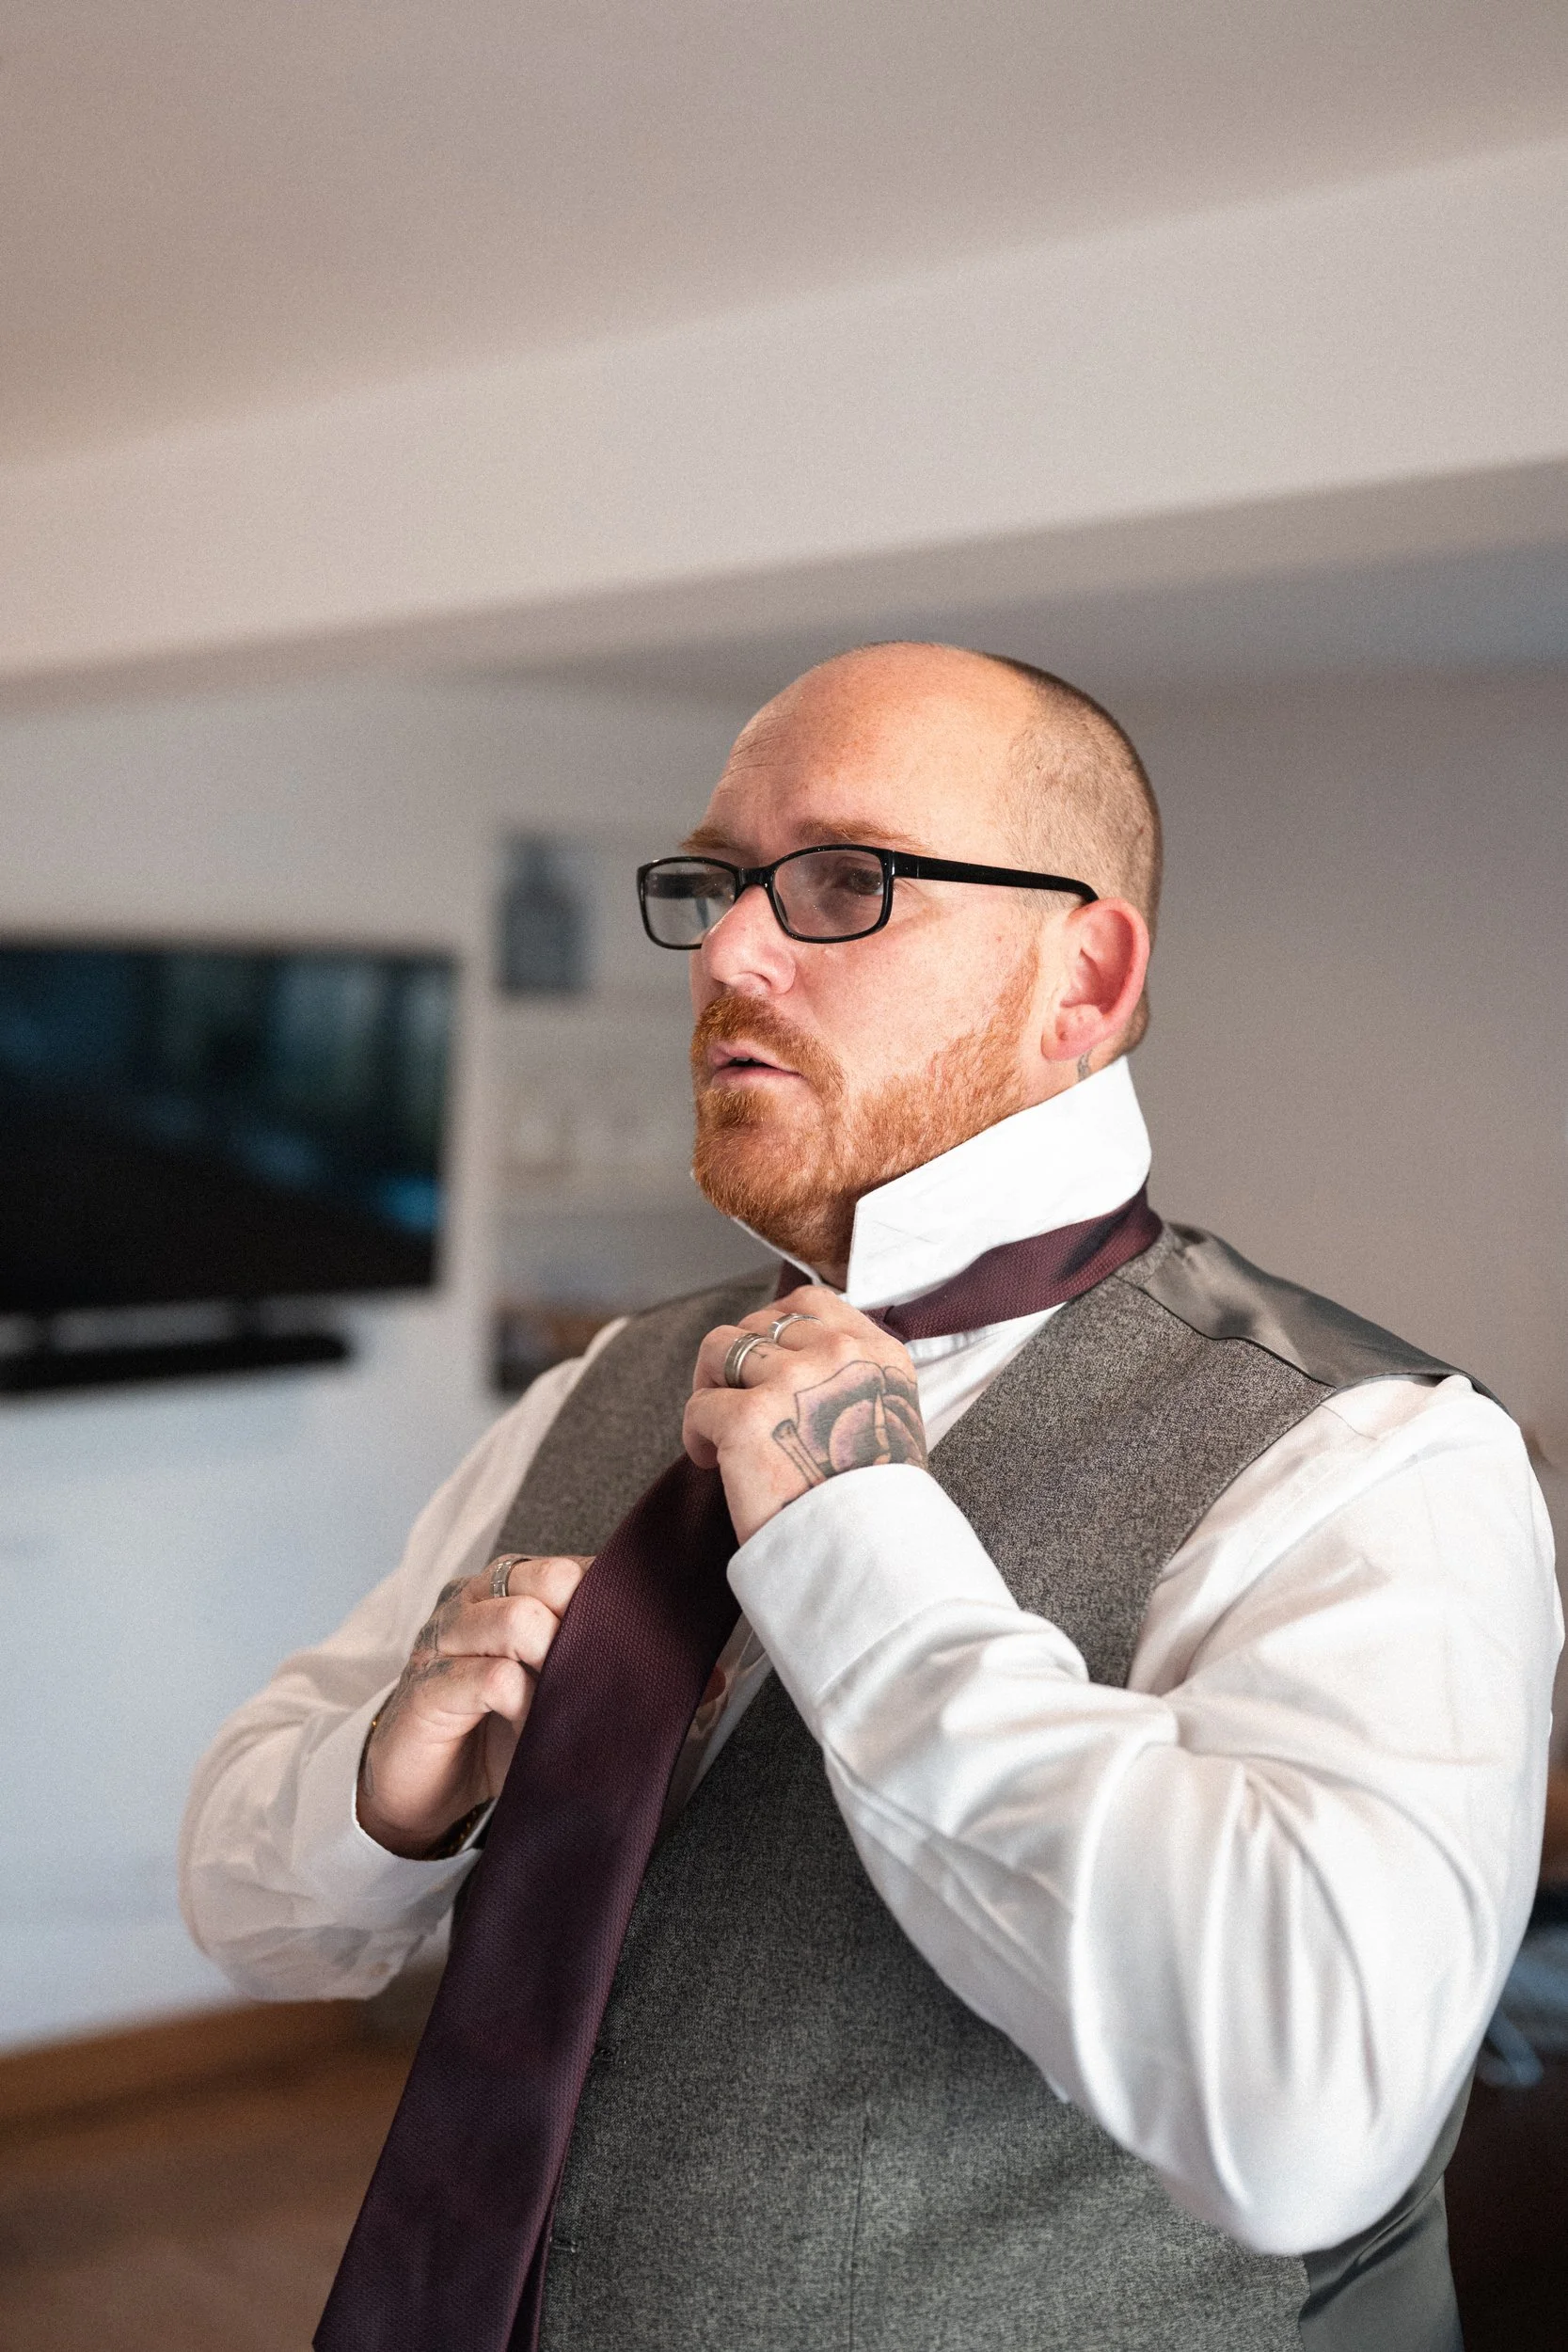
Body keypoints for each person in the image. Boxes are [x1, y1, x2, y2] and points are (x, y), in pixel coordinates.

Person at [182, 644, 1560, 2352]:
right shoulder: (599, 1385)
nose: (731, 953)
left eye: (845, 882)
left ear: (1085, 976)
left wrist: (857, 1554)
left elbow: (1305, 2116)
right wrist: (381, 1802)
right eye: (713, 885)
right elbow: (249, 1910)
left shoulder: (1374, 1458)